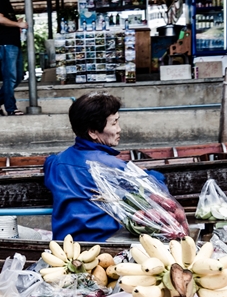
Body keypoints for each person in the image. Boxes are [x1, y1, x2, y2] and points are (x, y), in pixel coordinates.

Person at [43, 92, 169, 242]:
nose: (119, 129)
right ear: (93, 132)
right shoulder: (112, 166)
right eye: (114, 123)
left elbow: (49, 161)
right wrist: (150, 174)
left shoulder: (56, 162)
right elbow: (156, 186)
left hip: (64, 245)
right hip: (104, 244)